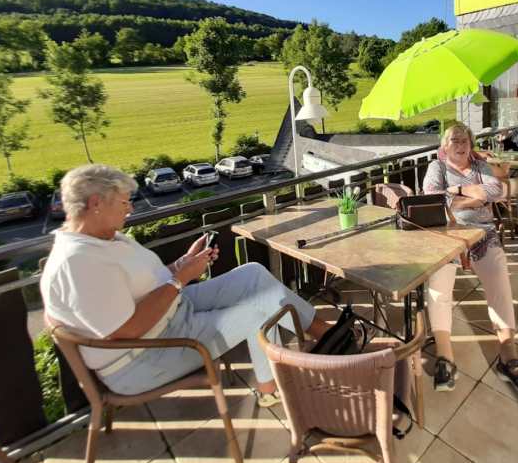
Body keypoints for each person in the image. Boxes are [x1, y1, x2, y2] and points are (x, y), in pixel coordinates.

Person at [41, 164, 331, 406]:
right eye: (124, 202)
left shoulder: (105, 239)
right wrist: (180, 279)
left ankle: (325, 335)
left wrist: (183, 263)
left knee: (253, 275)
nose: (130, 209)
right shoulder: (78, 262)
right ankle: (271, 390)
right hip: (143, 359)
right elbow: (126, 330)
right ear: (95, 204)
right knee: (258, 315)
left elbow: (147, 280)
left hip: (173, 314)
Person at [423, 123, 518, 395]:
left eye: (464, 140)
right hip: (446, 234)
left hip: (482, 233)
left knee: (499, 282)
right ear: (444, 146)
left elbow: (496, 191)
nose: (460, 144)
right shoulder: (437, 168)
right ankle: (444, 356)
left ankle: (508, 356)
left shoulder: (480, 166)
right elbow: (433, 198)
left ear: (471, 144)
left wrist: (456, 192)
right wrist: (475, 196)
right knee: (438, 288)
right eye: (454, 140)